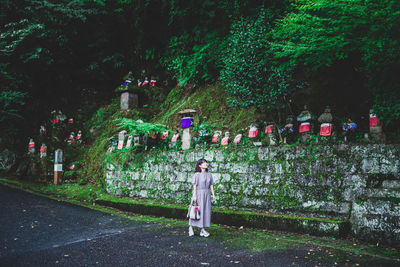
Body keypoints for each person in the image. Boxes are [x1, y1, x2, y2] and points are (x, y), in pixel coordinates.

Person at [188, 159, 216, 237]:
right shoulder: (197, 174)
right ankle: (191, 227)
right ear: (200, 165)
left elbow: (211, 185)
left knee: (205, 211)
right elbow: (195, 186)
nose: (206, 164)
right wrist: (194, 196)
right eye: (203, 163)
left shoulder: (209, 174)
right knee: (196, 210)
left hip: (207, 195)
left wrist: (213, 195)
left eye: (206, 162)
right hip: (199, 194)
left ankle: (202, 229)